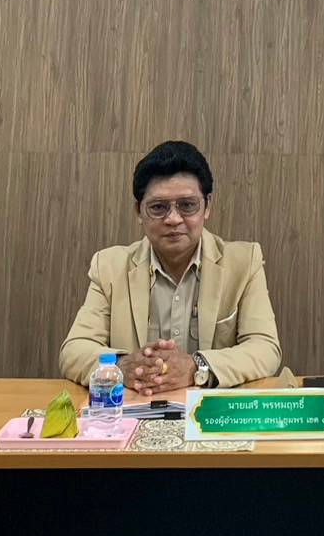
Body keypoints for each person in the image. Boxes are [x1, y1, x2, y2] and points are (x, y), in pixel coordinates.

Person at [60, 140, 282, 394]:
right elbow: (74, 350)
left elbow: (265, 348)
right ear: (139, 211)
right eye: (158, 208)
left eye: (187, 205)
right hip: (136, 407)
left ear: (207, 206)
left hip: (211, 413)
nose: (173, 219)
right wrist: (123, 366)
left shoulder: (243, 263)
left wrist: (197, 367)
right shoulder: (110, 266)